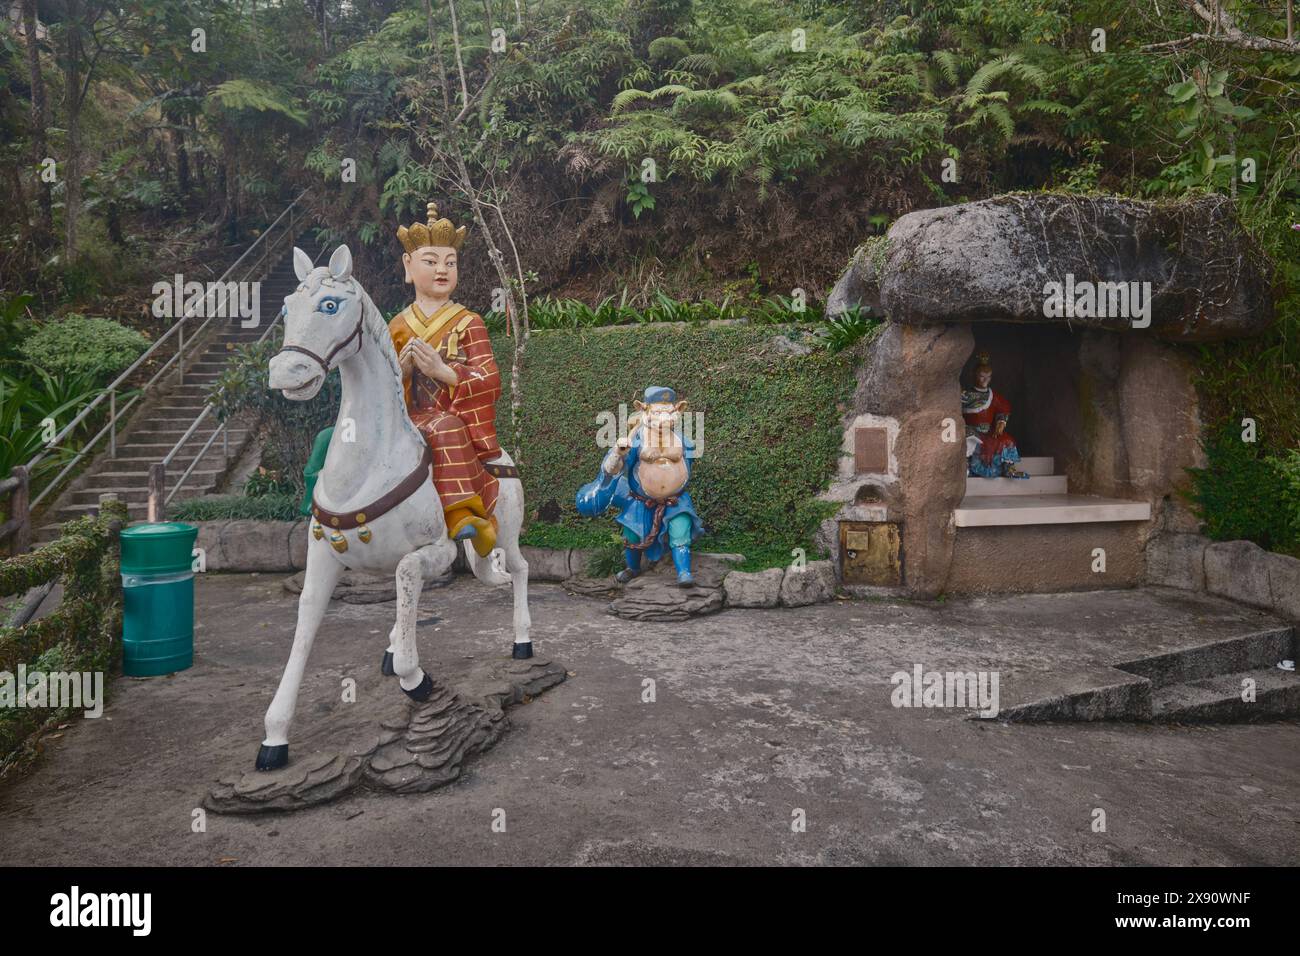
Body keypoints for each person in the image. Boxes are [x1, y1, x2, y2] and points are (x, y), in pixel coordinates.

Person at [388, 202, 506, 556]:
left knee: (446, 427)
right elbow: (379, 384)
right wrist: (403, 373)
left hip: (448, 415)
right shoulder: (397, 326)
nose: (442, 270)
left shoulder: (469, 322)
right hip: (404, 416)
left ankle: (464, 514)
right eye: (431, 261)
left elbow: (491, 378)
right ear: (409, 267)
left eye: (450, 263)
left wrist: (446, 372)